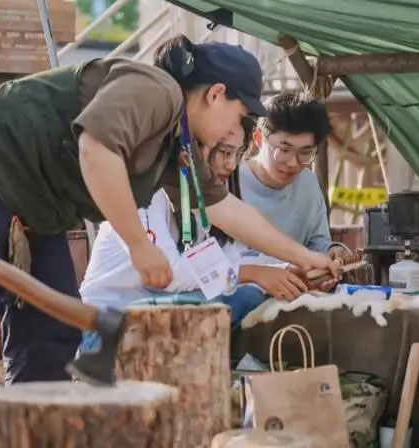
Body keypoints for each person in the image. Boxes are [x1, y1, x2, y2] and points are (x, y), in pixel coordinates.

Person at [0, 35, 336, 448]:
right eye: (239, 115)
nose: (235, 130)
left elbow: (227, 210)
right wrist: (139, 245)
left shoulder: (178, 141)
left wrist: (304, 256)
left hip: (40, 209)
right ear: (216, 94)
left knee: (51, 335)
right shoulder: (156, 90)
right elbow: (96, 148)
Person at [80, 121, 311, 328]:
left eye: (237, 153)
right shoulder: (146, 194)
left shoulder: (205, 200)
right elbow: (171, 275)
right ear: (195, 148)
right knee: (241, 299)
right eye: (225, 152)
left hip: (167, 311)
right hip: (113, 321)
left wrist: (285, 272)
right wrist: (252, 274)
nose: (232, 165)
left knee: (248, 297)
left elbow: (227, 262)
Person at [239, 92, 348, 265]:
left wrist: (331, 250)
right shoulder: (230, 184)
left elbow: (317, 242)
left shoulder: (308, 183)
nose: (293, 163)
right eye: (284, 150)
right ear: (258, 139)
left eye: (305, 152)